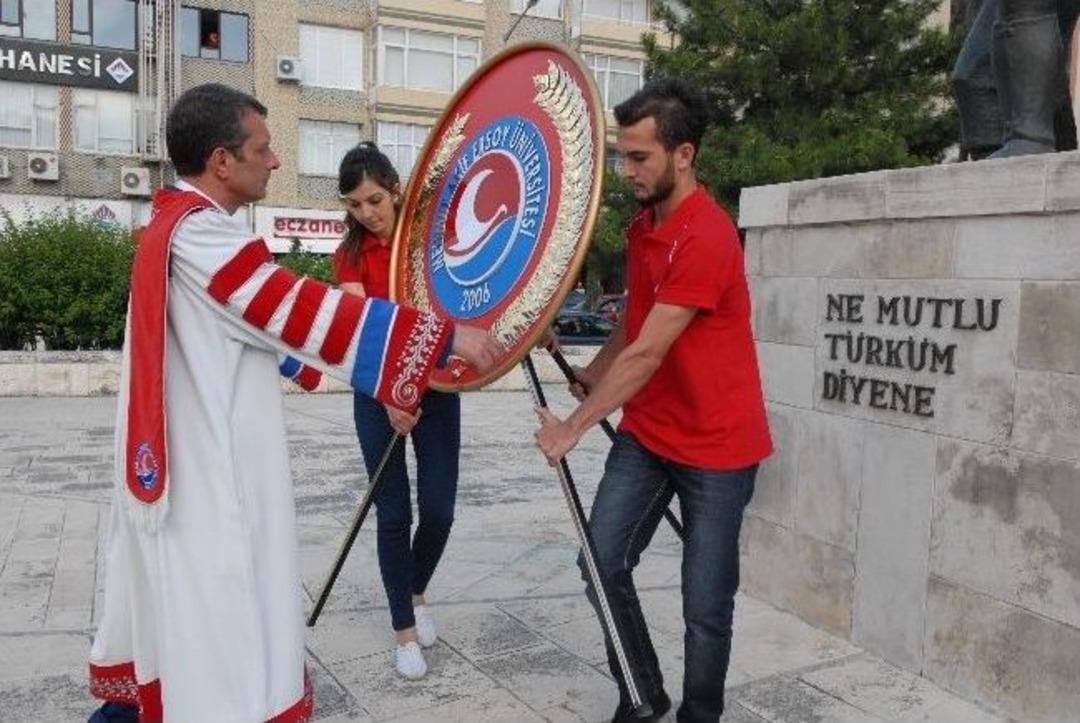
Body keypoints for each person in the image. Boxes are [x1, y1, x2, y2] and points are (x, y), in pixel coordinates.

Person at [86, 83, 501, 723]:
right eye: (264, 147)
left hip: (176, 465)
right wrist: (443, 335)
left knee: (179, 623)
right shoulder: (204, 236)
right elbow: (298, 309)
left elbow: (246, 320)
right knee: (219, 636)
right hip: (207, 479)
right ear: (223, 160)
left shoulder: (172, 225)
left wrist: (299, 362)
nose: (275, 160)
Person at [534, 79, 772, 723]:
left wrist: (574, 427)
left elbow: (650, 352)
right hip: (651, 434)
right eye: (622, 155)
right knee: (602, 561)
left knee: (705, 607)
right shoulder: (644, 229)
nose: (626, 170)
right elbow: (631, 330)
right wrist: (589, 374)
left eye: (639, 157)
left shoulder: (709, 237)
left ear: (684, 154)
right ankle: (642, 698)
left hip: (719, 448)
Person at [332, 143, 461, 680]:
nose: (367, 212)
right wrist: (391, 394)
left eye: (375, 199)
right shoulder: (351, 253)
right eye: (356, 204)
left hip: (437, 388)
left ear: (395, 187)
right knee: (394, 513)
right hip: (376, 394)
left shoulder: (431, 240)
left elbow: (456, 306)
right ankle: (404, 630)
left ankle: (414, 589)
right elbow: (362, 330)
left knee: (438, 510)